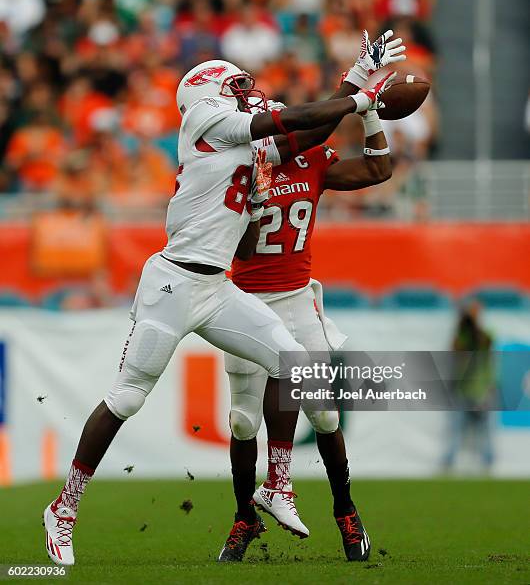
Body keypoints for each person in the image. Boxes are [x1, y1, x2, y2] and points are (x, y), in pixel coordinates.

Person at [43, 53, 396, 566]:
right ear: (211, 88)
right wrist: (363, 98)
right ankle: (64, 508)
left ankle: (276, 486)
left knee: (294, 365)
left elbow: (305, 138)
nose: (246, 95)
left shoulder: (245, 148)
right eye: (238, 87)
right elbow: (290, 120)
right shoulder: (206, 121)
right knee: (128, 397)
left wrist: (356, 82)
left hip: (217, 289)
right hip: (174, 281)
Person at [218, 30, 407, 562]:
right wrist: (251, 202)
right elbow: (246, 251)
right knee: (241, 421)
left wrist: (370, 114)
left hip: (298, 299)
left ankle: (346, 512)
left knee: (323, 414)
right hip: (245, 301)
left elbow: (377, 169)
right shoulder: (232, 171)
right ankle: (244, 516)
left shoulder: (310, 160)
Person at [442, 300, 496, 471]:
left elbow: (486, 344)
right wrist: (463, 326)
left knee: (484, 429)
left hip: (480, 389)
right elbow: (456, 350)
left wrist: (474, 326)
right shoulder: (461, 335)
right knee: (456, 428)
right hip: (462, 389)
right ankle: (449, 461)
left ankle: (489, 462)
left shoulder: (485, 335)